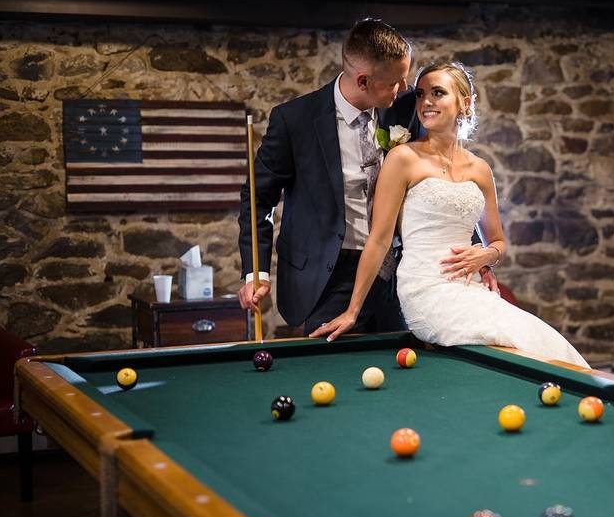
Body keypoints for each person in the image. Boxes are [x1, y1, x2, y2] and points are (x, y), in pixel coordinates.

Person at [312, 61, 588, 367]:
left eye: (438, 93)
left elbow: (497, 242)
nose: (426, 101)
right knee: (513, 336)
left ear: (464, 103)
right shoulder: (403, 158)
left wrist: (484, 257)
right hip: (425, 289)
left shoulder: (480, 169)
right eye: (420, 94)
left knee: (541, 338)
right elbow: (379, 241)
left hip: (472, 290)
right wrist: (353, 311)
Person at [237, 19, 496, 334]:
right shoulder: (294, 121)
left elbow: (441, 180)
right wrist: (256, 272)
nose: (406, 90)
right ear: (363, 81)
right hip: (327, 276)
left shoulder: (403, 108)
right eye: (395, 83)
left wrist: (476, 253)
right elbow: (257, 199)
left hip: (398, 274)